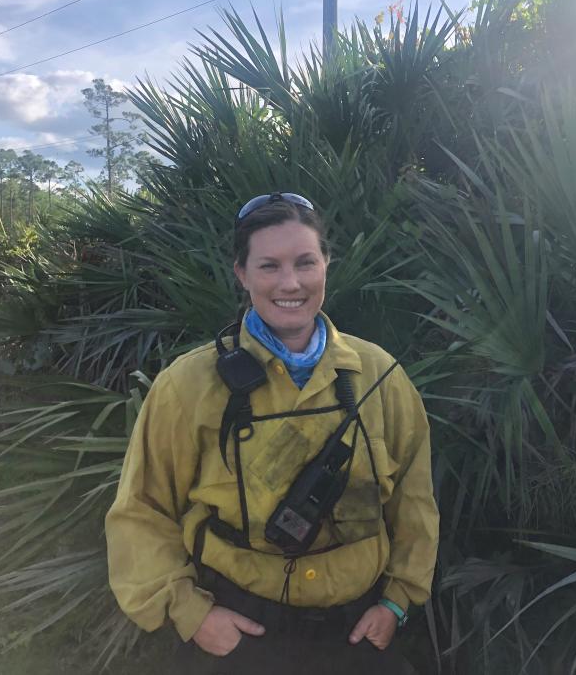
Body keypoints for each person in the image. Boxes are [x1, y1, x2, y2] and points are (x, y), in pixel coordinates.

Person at [104, 192, 439, 674]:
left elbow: (414, 499)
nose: (290, 283)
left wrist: (397, 601)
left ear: (326, 263)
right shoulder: (188, 385)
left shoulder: (380, 375)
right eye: (269, 266)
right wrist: (193, 614)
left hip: (359, 630)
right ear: (242, 273)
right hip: (238, 631)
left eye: (306, 262)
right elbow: (141, 510)